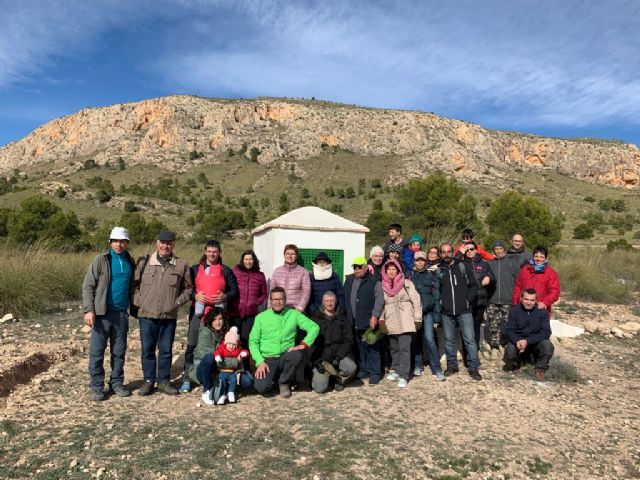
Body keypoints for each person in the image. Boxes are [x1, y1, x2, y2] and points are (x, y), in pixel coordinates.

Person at [132, 230, 193, 396]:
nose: (165, 246)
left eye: (168, 243)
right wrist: (139, 302)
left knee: (166, 350)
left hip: (168, 317)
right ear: (156, 243)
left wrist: (177, 303)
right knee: (147, 350)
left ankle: (164, 382)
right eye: (162, 242)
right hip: (146, 316)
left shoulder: (181, 265)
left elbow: (189, 289)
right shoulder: (144, 262)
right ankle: (148, 381)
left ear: (173, 245)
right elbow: (133, 286)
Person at [82, 227, 136, 401]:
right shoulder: (101, 260)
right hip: (101, 313)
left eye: (122, 241)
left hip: (121, 314)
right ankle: (97, 387)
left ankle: (117, 383)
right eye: (115, 241)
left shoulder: (129, 261)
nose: (118, 244)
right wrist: (89, 310)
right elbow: (88, 285)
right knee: (97, 352)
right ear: (110, 242)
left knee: (119, 352)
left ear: (127, 243)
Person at [179, 240, 238, 393]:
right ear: (205, 252)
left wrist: (224, 296)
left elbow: (234, 291)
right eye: (209, 251)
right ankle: (187, 378)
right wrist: (195, 295)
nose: (212, 254)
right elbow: (185, 288)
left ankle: (219, 376)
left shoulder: (225, 270)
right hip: (198, 314)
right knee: (192, 345)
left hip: (218, 316)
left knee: (220, 346)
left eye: (215, 251)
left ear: (219, 253)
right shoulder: (194, 269)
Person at [250, 287, 320, 398]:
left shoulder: (293, 314)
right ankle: (273, 380)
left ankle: (284, 382)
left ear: (285, 300)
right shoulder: (261, 317)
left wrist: (304, 344)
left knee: (296, 355)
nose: (277, 302)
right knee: (261, 388)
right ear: (270, 301)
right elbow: (253, 342)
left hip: (285, 356)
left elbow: (314, 327)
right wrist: (259, 362)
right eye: (274, 299)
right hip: (268, 359)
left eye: (280, 299)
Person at [437, 243, 482, 381]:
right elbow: (437, 291)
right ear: (440, 254)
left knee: (470, 340)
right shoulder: (438, 270)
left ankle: (473, 368)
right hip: (447, 312)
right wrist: (441, 304)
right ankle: (452, 366)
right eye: (443, 252)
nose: (446, 254)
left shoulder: (463, 266)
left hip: (464, 310)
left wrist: (468, 300)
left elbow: (474, 286)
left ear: (452, 252)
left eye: (448, 251)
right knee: (449, 341)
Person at [191, 308, 252, 405]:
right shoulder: (205, 332)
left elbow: (238, 350)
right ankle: (207, 390)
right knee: (210, 357)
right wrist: (236, 361)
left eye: (220, 319)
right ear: (210, 321)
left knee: (247, 381)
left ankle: (225, 388)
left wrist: (238, 368)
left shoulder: (229, 333)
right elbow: (212, 358)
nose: (218, 322)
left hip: (224, 370)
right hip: (205, 370)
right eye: (214, 320)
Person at [380, 259, 422, 388]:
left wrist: (418, 318)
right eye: (389, 269)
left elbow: (416, 300)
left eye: (394, 269)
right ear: (385, 271)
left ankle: (404, 375)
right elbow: (381, 304)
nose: (391, 271)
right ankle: (397, 370)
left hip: (406, 320)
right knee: (394, 348)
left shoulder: (407, 283)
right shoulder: (382, 285)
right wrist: (381, 320)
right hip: (391, 320)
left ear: (398, 270)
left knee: (404, 349)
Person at [344, 256, 385, 385]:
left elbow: (379, 300)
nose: (357, 269)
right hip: (354, 320)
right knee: (360, 347)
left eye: (359, 267)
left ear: (366, 267)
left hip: (369, 320)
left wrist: (375, 316)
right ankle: (363, 370)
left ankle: (375, 373)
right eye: (355, 267)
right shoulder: (349, 280)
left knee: (372, 347)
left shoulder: (374, 280)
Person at [310, 291, 356, 393]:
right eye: (327, 301)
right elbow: (310, 342)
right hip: (321, 359)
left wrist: (339, 356)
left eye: (332, 301)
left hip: (337, 355)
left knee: (351, 368)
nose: (329, 303)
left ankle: (337, 379)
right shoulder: (315, 319)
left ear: (335, 302)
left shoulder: (343, 319)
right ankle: (319, 376)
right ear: (323, 302)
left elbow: (348, 340)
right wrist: (316, 361)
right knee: (320, 389)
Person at [504, 289, 555, 381]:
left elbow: (546, 332)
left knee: (548, 346)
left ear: (536, 301)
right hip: (519, 341)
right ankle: (516, 364)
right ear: (521, 299)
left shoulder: (542, 312)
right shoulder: (514, 311)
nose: (529, 302)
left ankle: (540, 368)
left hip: (535, 342)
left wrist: (527, 341)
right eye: (526, 299)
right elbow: (510, 330)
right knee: (509, 351)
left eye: (532, 300)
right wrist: (518, 341)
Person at [412, 250, 444, 381]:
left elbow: (436, 298)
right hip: (414, 314)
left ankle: (436, 368)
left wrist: (437, 318)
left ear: (425, 262)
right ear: (414, 261)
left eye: (422, 260)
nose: (420, 262)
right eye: (418, 260)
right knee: (416, 340)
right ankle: (418, 365)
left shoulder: (431, 276)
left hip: (428, 313)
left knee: (429, 339)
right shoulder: (410, 276)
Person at [228, 250, 268, 355]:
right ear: (242, 260)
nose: (248, 262)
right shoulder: (235, 272)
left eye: (251, 259)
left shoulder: (260, 275)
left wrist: (255, 303)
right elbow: (229, 289)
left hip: (250, 314)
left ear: (254, 261)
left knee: (246, 341)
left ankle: (245, 369)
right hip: (234, 312)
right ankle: (232, 366)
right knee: (232, 340)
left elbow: (264, 294)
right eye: (246, 259)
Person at [458, 241, 495, 354]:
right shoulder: (460, 263)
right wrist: (460, 253)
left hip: (480, 300)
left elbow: (493, 278)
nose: (470, 252)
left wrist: (489, 278)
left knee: (476, 326)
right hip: (466, 301)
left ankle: (475, 351)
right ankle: (466, 352)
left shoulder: (484, 264)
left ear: (476, 250)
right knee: (465, 327)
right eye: (467, 250)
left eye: (472, 249)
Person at [486, 240, 520, 357]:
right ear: (493, 251)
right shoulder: (490, 264)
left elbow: (518, 282)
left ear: (504, 249)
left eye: (500, 248)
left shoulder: (512, 263)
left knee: (509, 324)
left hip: (508, 300)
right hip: (492, 300)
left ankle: (507, 345)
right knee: (493, 324)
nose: (498, 251)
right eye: (496, 249)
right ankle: (495, 346)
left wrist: (516, 298)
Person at [512, 246, 560, 314]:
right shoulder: (525, 270)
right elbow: (517, 287)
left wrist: (544, 302)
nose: (538, 259)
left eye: (541, 257)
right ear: (533, 256)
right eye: (536, 256)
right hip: (523, 308)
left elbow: (554, 292)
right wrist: (516, 302)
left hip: (540, 309)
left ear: (546, 258)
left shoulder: (551, 273)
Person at [213, 326, 251, 404]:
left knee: (233, 381)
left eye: (233, 344)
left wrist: (245, 353)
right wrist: (218, 356)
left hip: (232, 372)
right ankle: (222, 395)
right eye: (229, 344)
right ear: (226, 343)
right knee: (222, 382)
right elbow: (217, 352)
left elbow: (244, 351)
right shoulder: (222, 348)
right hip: (222, 371)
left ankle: (231, 393)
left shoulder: (238, 350)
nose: (231, 346)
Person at [269, 244, 311, 312]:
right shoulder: (277, 271)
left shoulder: (303, 272)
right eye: (287, 253)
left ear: (296, 256)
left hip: (295, 310)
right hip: (278, 309)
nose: (290, 256)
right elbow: (271, 291)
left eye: (293, 254)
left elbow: (306, 291)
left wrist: (300, 307)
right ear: (284, 255)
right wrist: (269, 307)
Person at [308, 251, 345, 316]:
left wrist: (341, 309)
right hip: (317, 312)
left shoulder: (334, 276)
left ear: (328, 263)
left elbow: (340, 294)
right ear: (316, 263)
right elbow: (309, 297)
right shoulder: (311, 277)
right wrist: (314, 311)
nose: (322, 264)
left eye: (324, 262)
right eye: (319, 262)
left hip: (333, 311)